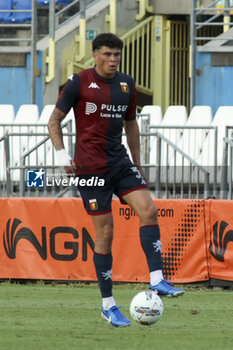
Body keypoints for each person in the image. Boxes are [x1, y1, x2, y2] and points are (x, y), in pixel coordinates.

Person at [48, 33, 184, 327]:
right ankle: (108, 305)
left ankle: (157, 278)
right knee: (106, 234)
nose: (113, 60)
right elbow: (54, 120)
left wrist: (137, 161)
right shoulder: (78, 82)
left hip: (120, 162)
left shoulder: (126, 84)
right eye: (107, 54)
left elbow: (131, 123)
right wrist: (61, 157)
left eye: (117, 55)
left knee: (148, 210)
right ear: (95, 54)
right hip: (90, 168)